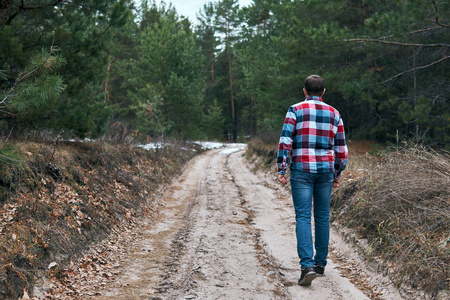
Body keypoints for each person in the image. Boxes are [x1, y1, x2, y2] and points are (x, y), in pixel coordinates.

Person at [276, 75, 348, 286]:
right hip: (325, 170)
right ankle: (320, 264)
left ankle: (306, 266)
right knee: (323, 217)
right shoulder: (334, 113)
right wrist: (337, 173)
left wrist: (282, 168)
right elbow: (341, 149)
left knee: (303, 216)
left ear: (304, 91)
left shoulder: (295, 110)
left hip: (302, 170)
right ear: (323, 92)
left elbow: (285, 141)